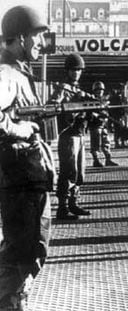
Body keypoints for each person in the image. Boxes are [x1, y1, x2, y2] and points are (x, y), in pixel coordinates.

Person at [0, 6, 55, 310]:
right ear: (21, 37)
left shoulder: (16, 72)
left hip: (25, 178)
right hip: (20, 181)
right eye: (38, 36)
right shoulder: (6, 74)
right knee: (23, 254)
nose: (41, 43)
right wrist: (22, 130)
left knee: (24, 252)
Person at [50, 53, 93, 220]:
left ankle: (73, 203)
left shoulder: (78, 89)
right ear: (67, 71)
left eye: (79, 70)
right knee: (68, 171)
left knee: (80, 172)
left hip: (80, 134)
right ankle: (62, 207)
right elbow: (53, 105)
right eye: (74, 70)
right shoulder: (62, 89)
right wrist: (69, 109)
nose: (77, 73)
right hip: (68, 134)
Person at [88, 81, 118, 167]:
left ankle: (108, 159)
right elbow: (90, 112)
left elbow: (106, 111)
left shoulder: (104, 100)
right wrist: (97, 115)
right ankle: (96, 160)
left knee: (106, 143)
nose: (99, 91)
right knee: (95, 144)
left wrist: (106, 114)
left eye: (101, 90)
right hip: (95, 124)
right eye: (97, 90)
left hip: (103, 124)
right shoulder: (91, 100)